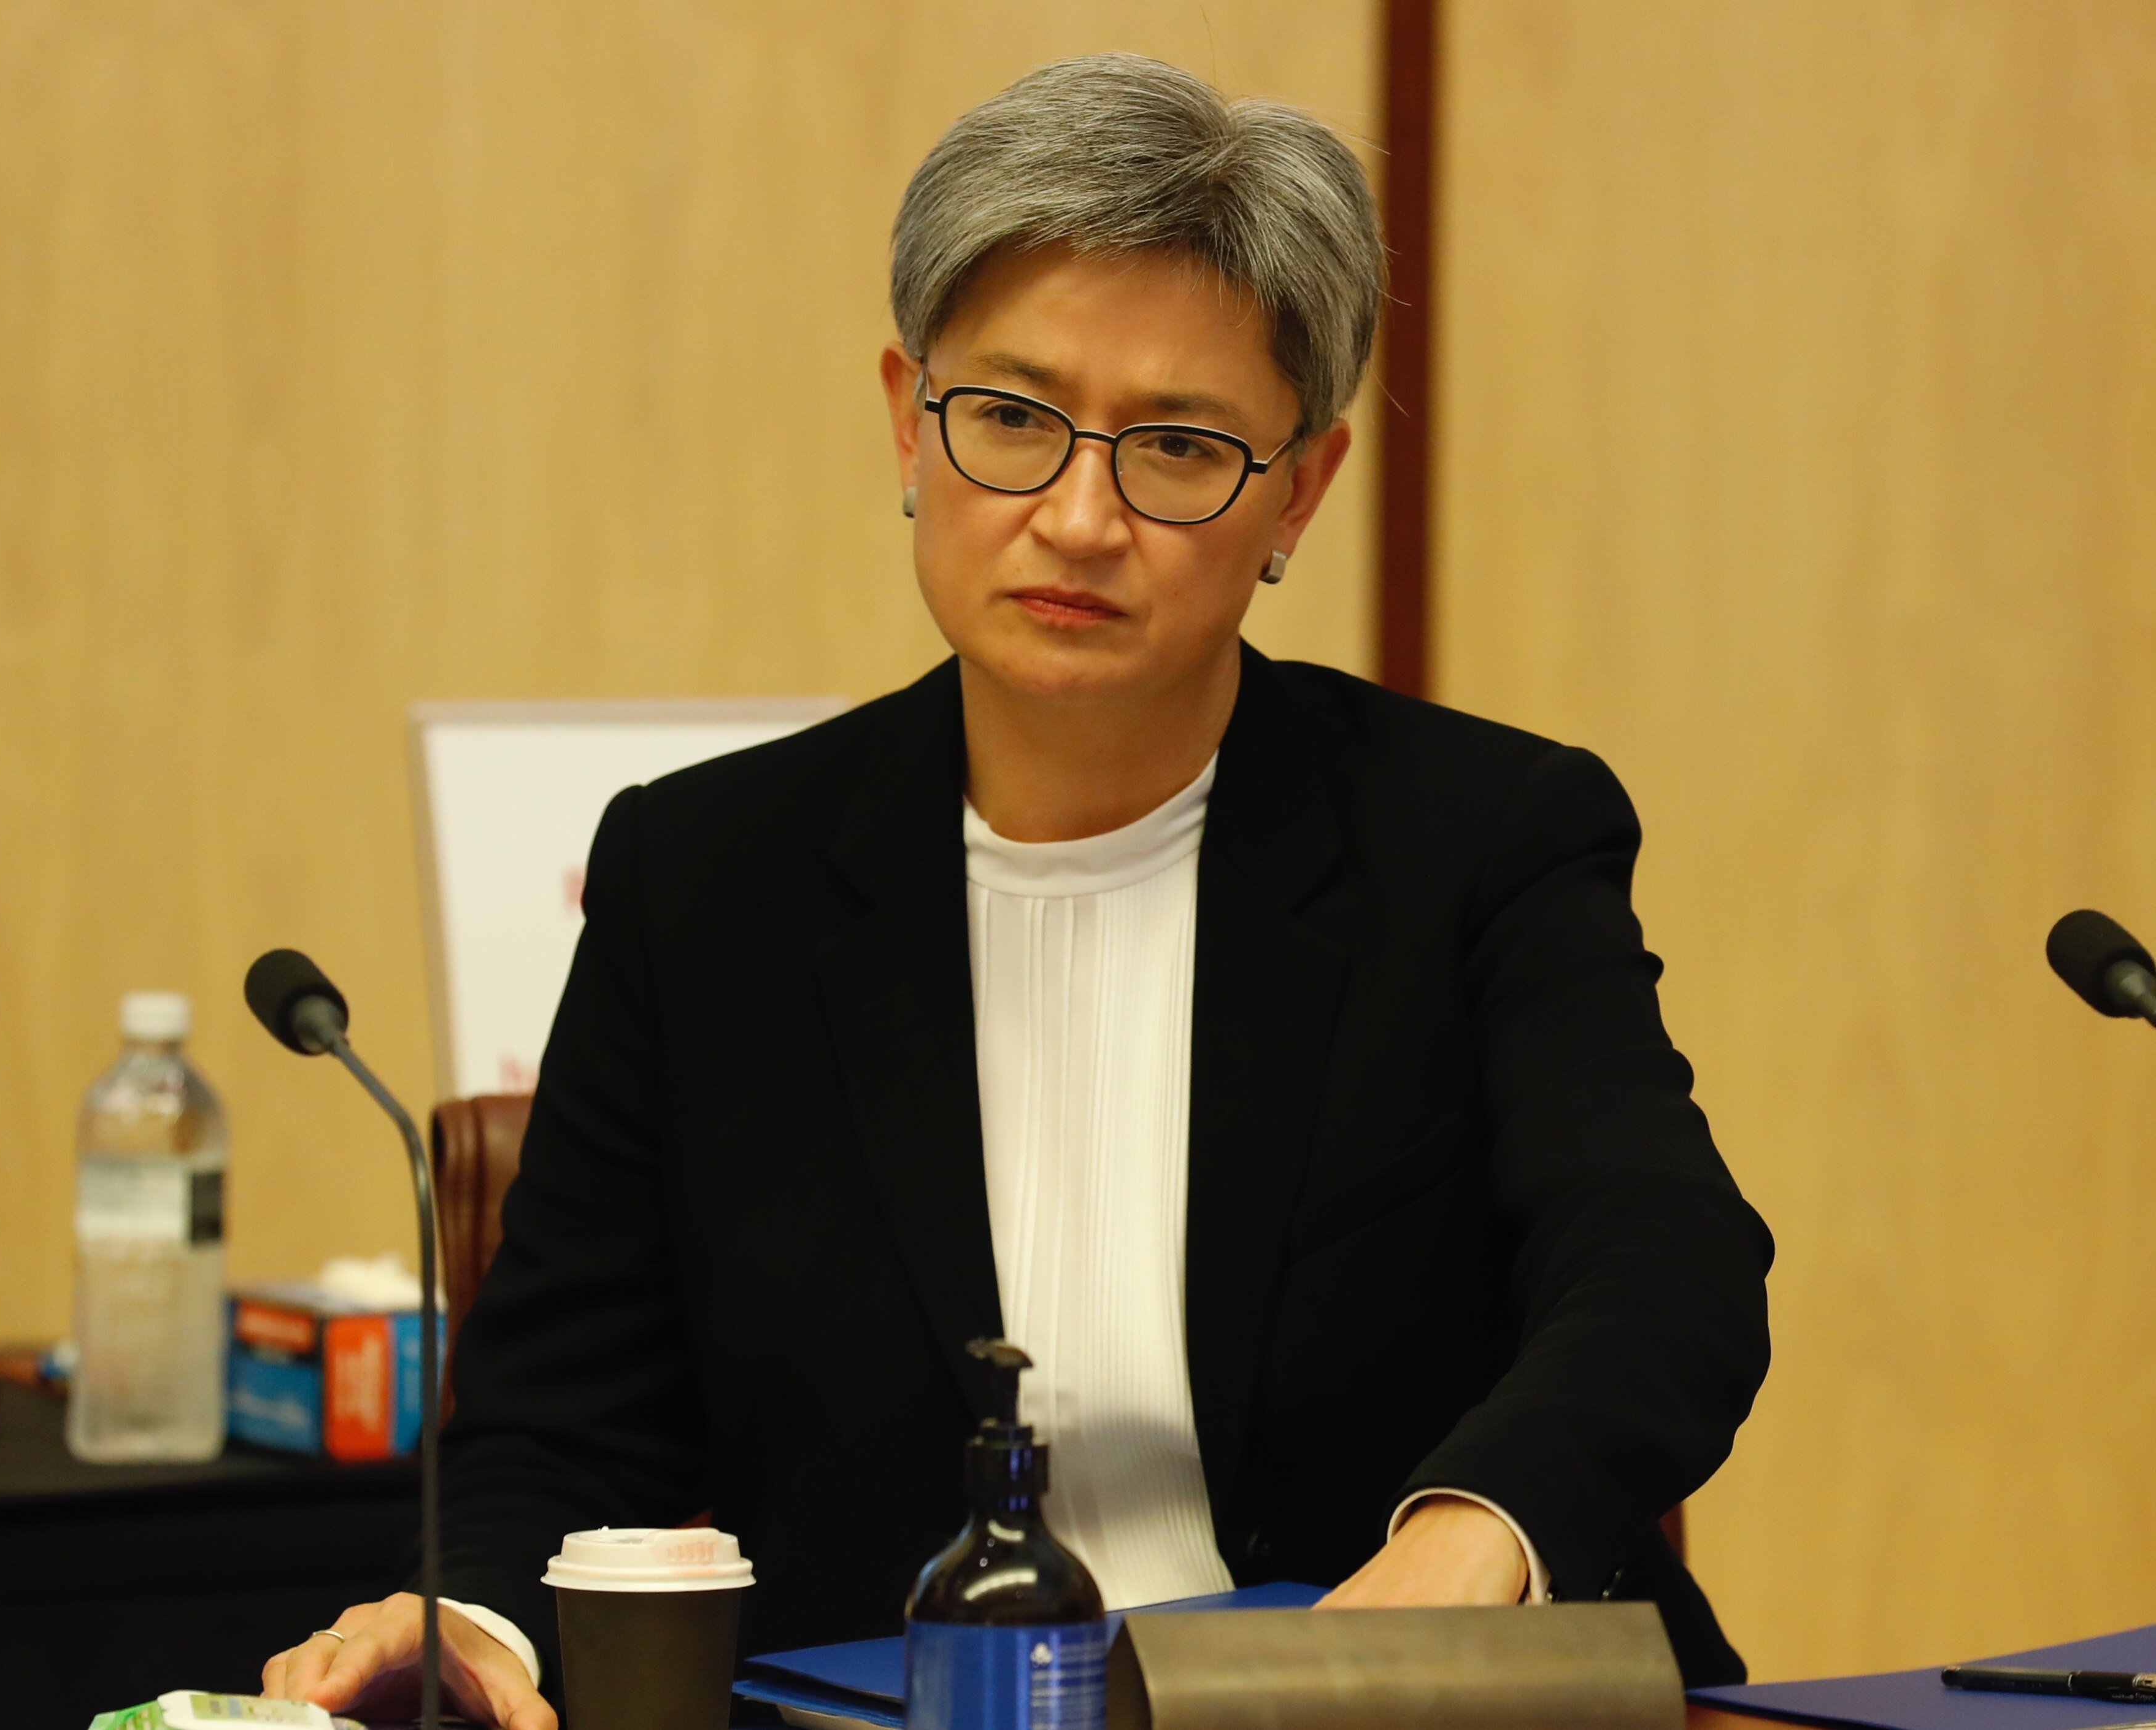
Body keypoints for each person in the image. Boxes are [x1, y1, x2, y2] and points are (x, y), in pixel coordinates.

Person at [264, 51, 1773, 1726]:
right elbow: (561, 1423)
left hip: (1376, 1703)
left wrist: (1461, 1547)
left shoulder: (1478, 838)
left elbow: (1663, 1268)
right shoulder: (709, 880)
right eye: (1012, 419)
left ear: (1304, 491)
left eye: (1181, 446)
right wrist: (480, 1621)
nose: (1079, 515)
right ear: (909, 420)